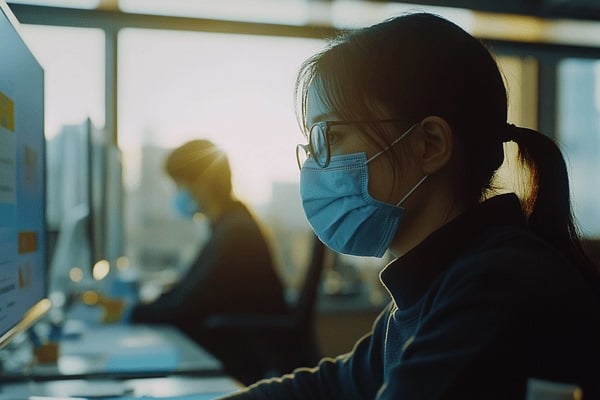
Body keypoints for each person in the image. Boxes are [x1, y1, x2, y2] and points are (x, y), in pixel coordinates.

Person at [220, 12, 600, 399]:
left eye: (330, 135)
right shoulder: (433, 288)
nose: (316, 163)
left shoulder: (495, 286)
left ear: (429, 145)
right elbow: (330, 387)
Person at [130, 139, 288, 382]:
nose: (177, 194)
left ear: (201, 183)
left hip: (240, 356)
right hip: (232, 349)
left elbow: (186, 303)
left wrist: (133, 312)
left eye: (179, 185)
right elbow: (188, 291)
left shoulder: (235, 232)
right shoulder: (227, 225)